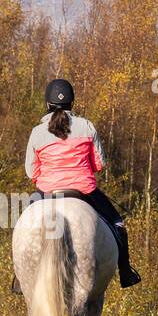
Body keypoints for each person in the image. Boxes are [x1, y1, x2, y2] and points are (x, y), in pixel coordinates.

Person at [23, 78, 141, 288]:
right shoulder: (87, 126)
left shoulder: (37, 132)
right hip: (84, 192)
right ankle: (126, 272)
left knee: (23, 227)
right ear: (72, 103)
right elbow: (99, 163)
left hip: (48, 193)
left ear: (47, 104)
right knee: (117, 223)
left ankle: (20, 275)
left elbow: (31, 171)